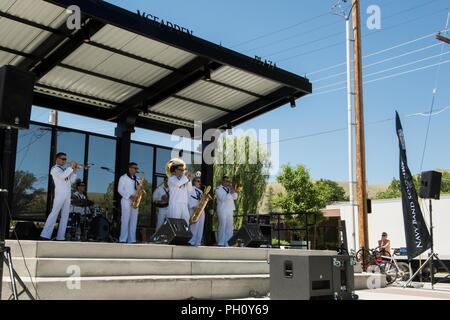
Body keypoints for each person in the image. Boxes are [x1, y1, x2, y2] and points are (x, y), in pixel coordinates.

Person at [40, 152, 77, 240]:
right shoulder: (55, 169)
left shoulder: (65, 170)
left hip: (67, 194)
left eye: (65, 159)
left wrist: (74, 171)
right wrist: (70, 168)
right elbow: (62, 176)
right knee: (55, 213)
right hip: (60, 194)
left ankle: (61, 236)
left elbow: (72, 181)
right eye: (63, 159)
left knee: (65, 216)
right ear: (57, 159)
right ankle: (45, 235)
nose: (64, 161)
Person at [118, 162, 140, 243]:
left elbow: (139, 190)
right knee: (125, 220)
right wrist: (130, 196)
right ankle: (123, 239)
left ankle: (132, 239)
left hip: (135, 202)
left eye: (137, 168)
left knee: (134, 221)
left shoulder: (137, 179)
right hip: (126, 201)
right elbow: (120, 190)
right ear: (130, 168)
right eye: (135, 168)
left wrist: (140, 190)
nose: (136, 170)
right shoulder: (123, 178)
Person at [216, 176, 238, 247]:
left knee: (230, 226)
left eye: (228, 181)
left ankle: (228, 242)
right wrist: (230, 193)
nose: (228, 183)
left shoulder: (229, 189)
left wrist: (233, 190)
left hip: (230, 209)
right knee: (223, 225)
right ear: (222, 181)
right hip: (222, 209)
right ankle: (221, 242)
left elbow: (235, 197)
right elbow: (222, 198)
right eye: (226, 181)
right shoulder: (218, 189)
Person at [188, 177, 205, 246]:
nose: (199, 183)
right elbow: (189, 198)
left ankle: (198, 241)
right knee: (194, 226)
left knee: (200, 226)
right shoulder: (190, 188)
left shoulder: (201, 191)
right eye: (198, 181)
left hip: (201, 209)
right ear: (194, 182)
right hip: (194, 208)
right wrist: (193, 206)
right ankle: (191, 241)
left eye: (200, 181)